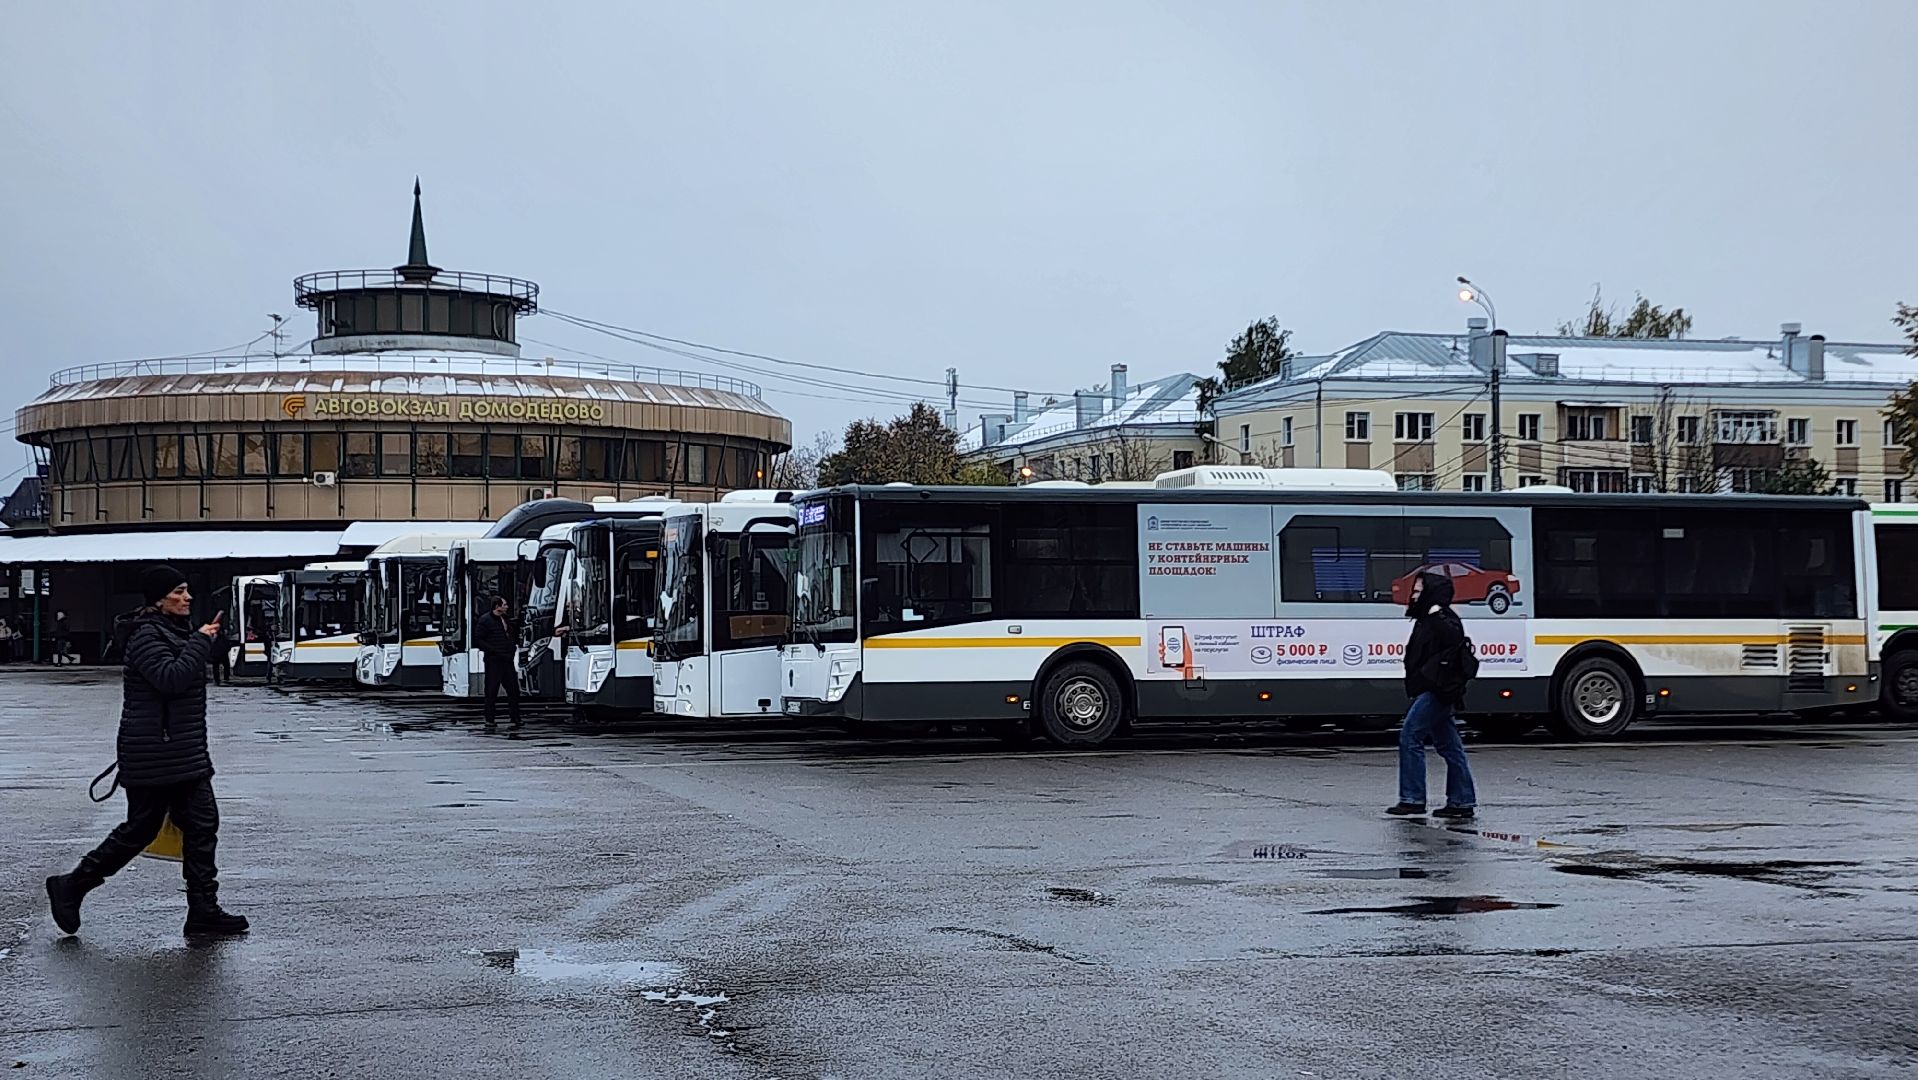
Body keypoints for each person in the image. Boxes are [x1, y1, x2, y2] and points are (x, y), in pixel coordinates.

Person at [45, 565, 249, 937]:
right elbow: (170, 678)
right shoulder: (146, 635)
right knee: (141, 829)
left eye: (187, 591)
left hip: (180, 752)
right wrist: (200, 643)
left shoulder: (171, 631)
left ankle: (204, 911)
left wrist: (208, 641)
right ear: (159, 598)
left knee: (201, 826)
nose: (187, 598)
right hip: (157, 754)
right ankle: (72, 885)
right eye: (179, 592)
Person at [1386, 570, 1478, 820]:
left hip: (1438, 690)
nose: (1414, 596)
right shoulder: (1426, 618)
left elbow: (1452, 639)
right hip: (1434, 688)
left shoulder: (1442, 617)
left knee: (1410, 735)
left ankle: (1413, 799)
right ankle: (1461, 801)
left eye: (1418, 592)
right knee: (1450, 746)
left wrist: (1436, 611)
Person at [475, 595, 522, 732]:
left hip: (507, 660)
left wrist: (511, 648)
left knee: (513, 690)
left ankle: (515, 717)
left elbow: (511, 635)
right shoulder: (485, 621)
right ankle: (490, 718)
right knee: (491, 690)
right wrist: (494, 650)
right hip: (494, 661)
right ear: (497, 606)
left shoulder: (505, 619)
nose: (507, 607)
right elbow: (479, 639)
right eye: (504, 604)